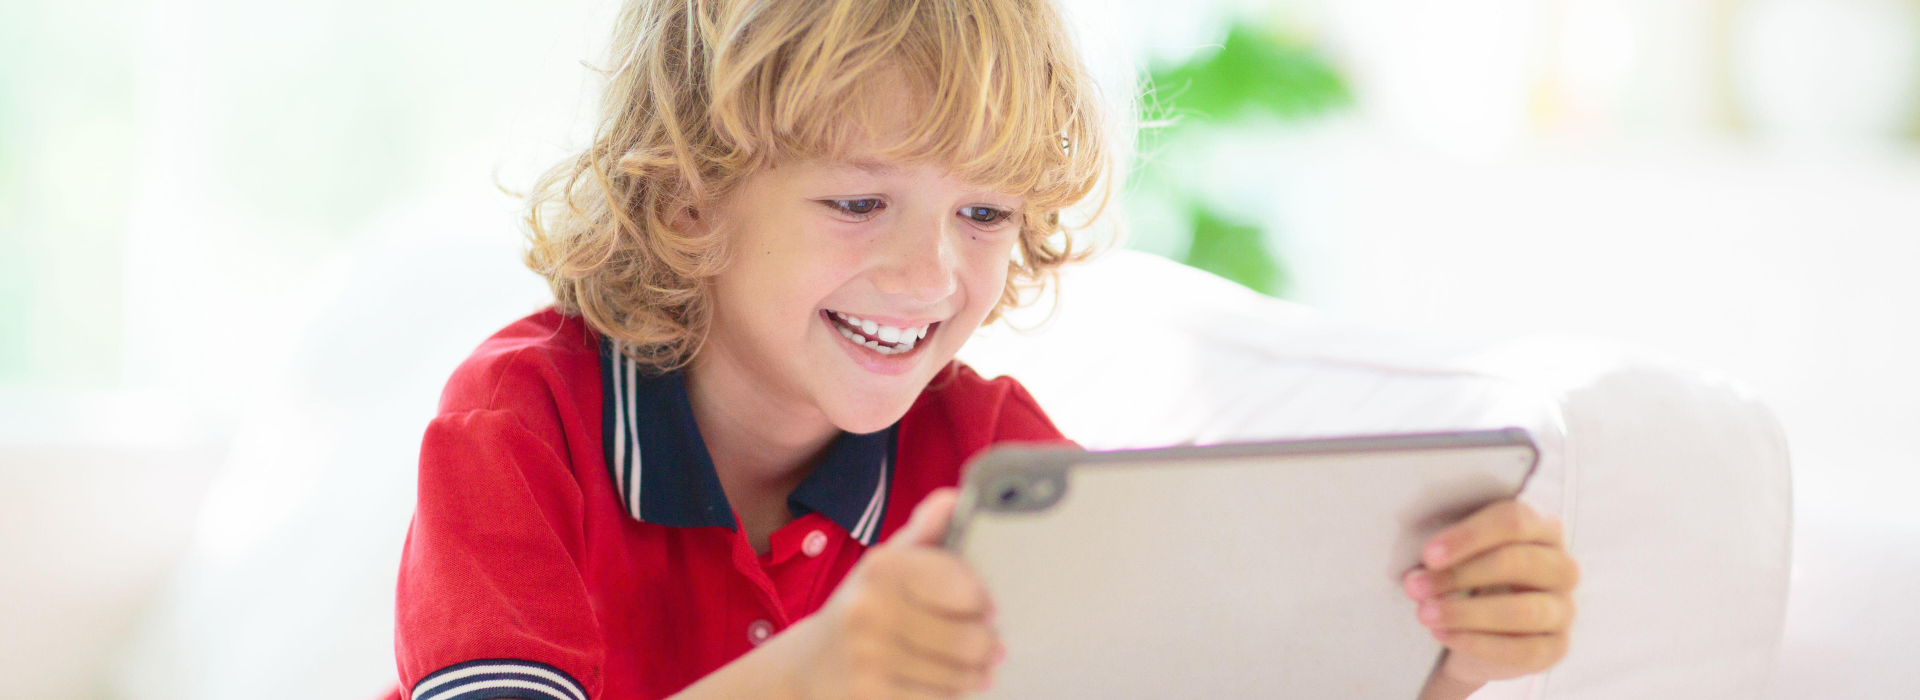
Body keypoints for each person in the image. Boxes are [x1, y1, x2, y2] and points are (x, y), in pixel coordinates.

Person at [387, 1, 1580, 699]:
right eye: (860, 205)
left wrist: (1441, 659)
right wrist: (821, 669)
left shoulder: (996, 457)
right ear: (694, 203)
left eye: (985, 214)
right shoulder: (519, 420)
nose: (931, 276)